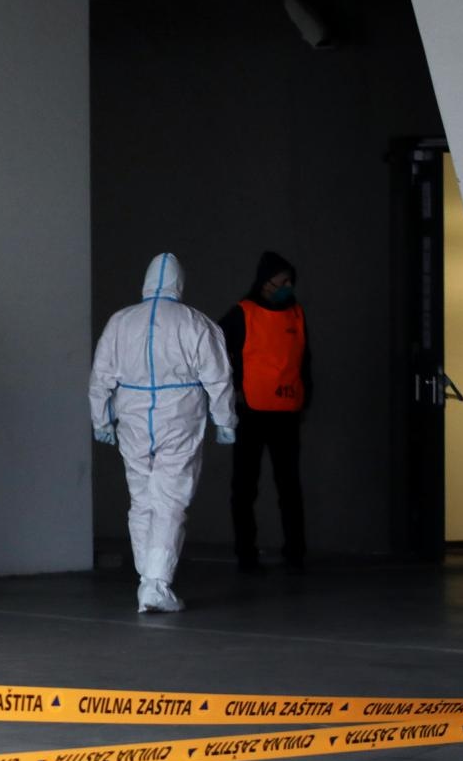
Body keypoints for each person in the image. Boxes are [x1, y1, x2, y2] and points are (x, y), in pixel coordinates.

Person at [89, 253, 236, 613]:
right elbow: (218, 378)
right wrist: (226, 420)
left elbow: (101, 377)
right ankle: (156, 582)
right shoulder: (194, 323)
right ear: (179, 283)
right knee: (170, 498)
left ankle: (148, 579)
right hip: (179, 417)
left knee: (142, 499)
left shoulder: (121, 322)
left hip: (133, 418)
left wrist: (101, 420)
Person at [220, 251, 311, 573]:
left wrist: (305, 400)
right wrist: (233, 389)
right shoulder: (242, 313)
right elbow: (215, 352)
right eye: (281, 280)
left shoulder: (296, 314)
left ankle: (295, 552)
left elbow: (305, 360)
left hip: (287, 411)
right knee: (245, 487)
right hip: (252, 412)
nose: (287, 286)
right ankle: (246, 553)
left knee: (290, 486)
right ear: (265, 280)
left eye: (290, 280)